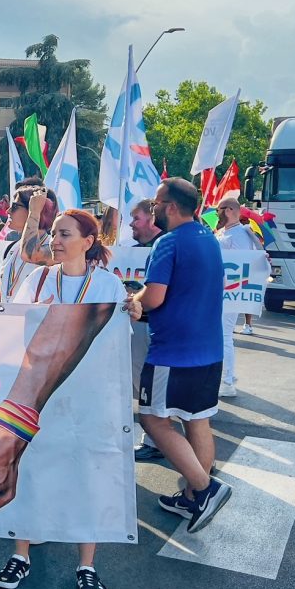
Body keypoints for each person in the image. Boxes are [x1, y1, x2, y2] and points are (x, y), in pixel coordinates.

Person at [0, 208, 135, 589]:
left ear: (88, 242)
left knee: (86, 475)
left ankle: (86, 566)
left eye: (64, 234)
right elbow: (12, 328)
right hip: (40, 398)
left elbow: (118, 336)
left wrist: (133, 310)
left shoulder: (108, 286)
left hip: (89, 400)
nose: (54, 240)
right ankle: (20, 554)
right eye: (54, 233)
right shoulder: (36, 280)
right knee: (30, 471)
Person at [133, 178, 232, 534]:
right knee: (196, 421)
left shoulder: (168, 241)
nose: (154, 207)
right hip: (208, 349)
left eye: (157, 203)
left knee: (153, 421)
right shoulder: (208, 238)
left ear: (171, 206)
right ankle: (192, 495)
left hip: (174, 352)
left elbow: (154, 297)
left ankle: (206, 489)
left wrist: (133, 302)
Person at [127, 198, 166, 463]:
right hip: (137, 324)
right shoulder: (130, 248)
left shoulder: (164, 246)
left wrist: (136, 294)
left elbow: (155, 293)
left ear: (151, 219)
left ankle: (155, 439)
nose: (131, 223)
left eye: (136, 218)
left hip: (150, 325)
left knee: (148, 384)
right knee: (140, 382)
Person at [214, 197, 263, 397]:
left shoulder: (241, 233)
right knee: (220, 336)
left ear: (227, 211)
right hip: (220, 290)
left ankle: (226, 382)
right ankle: (226, 376)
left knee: (224, 335)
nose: (216, 214)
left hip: (230, 291)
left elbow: (243, 263)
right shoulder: (225, 232)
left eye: (218, 210)